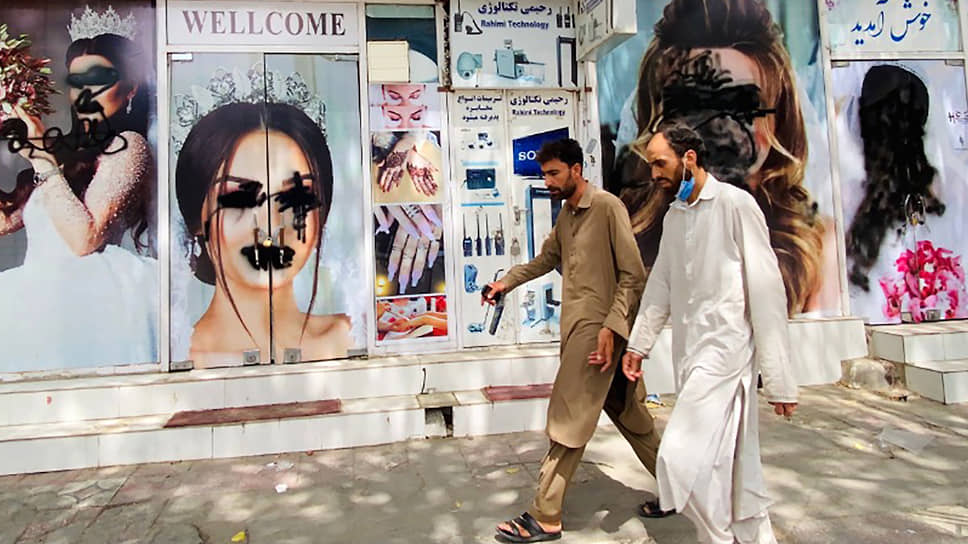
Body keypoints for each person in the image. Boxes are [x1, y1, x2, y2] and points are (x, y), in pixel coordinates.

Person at [623, 123, 798, 544]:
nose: (654, 174)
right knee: (726, 465)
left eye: (660, 163)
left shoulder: (735, 205)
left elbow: (766, 290)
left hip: (726, 355)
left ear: (689, 158)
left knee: (676, 460)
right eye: (651, 165)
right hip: (690, 355)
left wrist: (779, 381)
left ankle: (717, 538)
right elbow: (661, 284)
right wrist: (639, 345)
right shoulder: (675, 215)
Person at [484, 138, 664, 543]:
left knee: (569, 420)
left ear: (576, 169)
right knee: (633, 419)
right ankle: (684, 487)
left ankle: (545, 515)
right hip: (584, 331)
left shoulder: (607, 207)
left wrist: (611, 328)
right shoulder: (567, 215)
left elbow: (633, 275)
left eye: (553, 173)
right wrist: (505, 283)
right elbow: (545, 260)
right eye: (544, 174)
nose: (547, 181)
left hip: (599, 337)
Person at [613, 0, 838, 316]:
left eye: (741, 106)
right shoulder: (626, 234)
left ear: (777, 121)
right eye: (692, 107)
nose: (716, 128)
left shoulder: (814, 247)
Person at [0, 22, 157, 371]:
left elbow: (84, 239)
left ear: (130, 89)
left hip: (89, 304)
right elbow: (5, 221)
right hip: (35, 303)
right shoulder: (61, 155)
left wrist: (40, 155)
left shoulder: (129, 146)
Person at [175, 102, 350, 367]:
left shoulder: (356, 336)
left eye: (296, 197)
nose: (271, 224)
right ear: (197, 219)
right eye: (239, 198)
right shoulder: (177, 357)